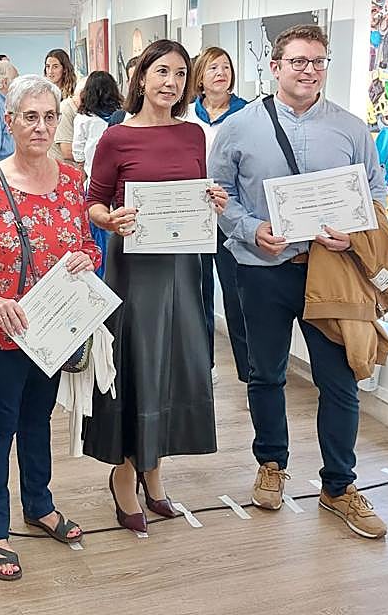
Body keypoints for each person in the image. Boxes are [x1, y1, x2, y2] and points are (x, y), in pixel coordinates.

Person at [208, 24, 388, 539]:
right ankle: (271, 464)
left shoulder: (351, 128)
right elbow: (219, 194)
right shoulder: (240, 127)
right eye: (298, 61)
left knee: (340, 382)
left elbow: (375, 193)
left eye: (318, 61)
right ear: (275, 66)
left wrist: (351, 236)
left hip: (330, 274)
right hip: (262, 271)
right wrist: (250, 229)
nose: (309, 70)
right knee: (265, 374)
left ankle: (339, 486)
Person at [0, 74, 100, 581]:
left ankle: (39, 504)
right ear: (9, 121)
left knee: (38, 421)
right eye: (29, 116)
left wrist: (85, 258)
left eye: (49, 116)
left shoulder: (73, 180)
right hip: (0, 333)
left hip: (53, 333)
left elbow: (86, 242)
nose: (40, 126)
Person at [81, 40, 227, 534]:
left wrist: (213, 199)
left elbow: (195, 194)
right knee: (137, 365)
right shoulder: (116, 138)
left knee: (174, 366)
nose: (171, 82)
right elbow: (94, 203)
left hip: (183, 269)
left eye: (181, 74)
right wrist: (111, 220)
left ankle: (155, 472)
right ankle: (125, 477)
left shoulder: (193, 136)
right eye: (161, 71)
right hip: (133, 269)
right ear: (141, 77)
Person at [187, 47, 250, 383]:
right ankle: (201, 365)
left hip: (230, 214)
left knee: (236, 292)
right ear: (200, 76)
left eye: (226, 67)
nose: (221, 73)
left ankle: (247, 368)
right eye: (213, 67)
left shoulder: (247, 114)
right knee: (198, 292)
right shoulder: (187, 115)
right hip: (194, 215)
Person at [71, 71, 123, 276]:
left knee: (95, 238)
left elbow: (77, 153)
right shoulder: (123, 115)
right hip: (119, 184)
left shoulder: (83, 118)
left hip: (94, 184)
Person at [106, 56, 141, 125]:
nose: (140, 83)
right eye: (134, 80)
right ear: (128, 84)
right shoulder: (119, 118)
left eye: (142, 78)